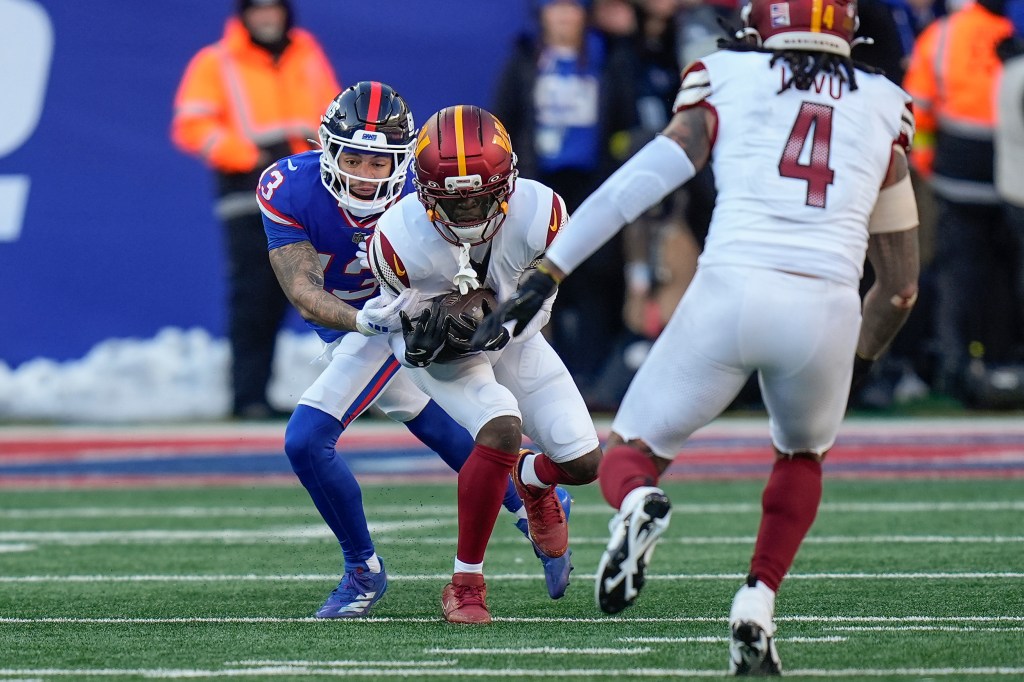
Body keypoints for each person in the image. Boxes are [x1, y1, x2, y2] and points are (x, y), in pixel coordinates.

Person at [474, 0, 920, 673]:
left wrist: (552, 267)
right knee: (801, 456)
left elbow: (644, 178)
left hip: (731, 289)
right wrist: (855, 362)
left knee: (632, 451)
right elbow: (899, 287)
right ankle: (758, 601)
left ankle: (639, 504)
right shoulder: (887, 105)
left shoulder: (728, 75)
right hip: (827, 305)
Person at [257, 83, 573, 618]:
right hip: (360, 319)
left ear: (402, 162)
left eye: (379, 162)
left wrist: (445, 316)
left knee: (307, 439)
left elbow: (478, 278)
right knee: (418, 411)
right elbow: (305, 292)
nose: (363, 173)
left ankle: (363, 571)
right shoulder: (288, 186)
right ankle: (524, 497)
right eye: (352, 157)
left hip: (418, 317)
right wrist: (361, 318)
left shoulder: (429, 189)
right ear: (326, 147)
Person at [367, 105, 604, 624]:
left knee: (584, 463)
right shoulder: (396, 238)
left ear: (508, 182)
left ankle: (533, 479)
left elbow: (544, 301)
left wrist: (502, 319)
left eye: (481, 196)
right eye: (456, 202)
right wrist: (422, 345)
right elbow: (396, 334)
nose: (471, 212)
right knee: (500, 426)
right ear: (425, 194)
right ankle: (465, 584)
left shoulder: (543, 212)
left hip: (516, 340)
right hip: (452, 362)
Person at [171, 0, 339, 420]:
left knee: (338, 288)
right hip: (249, 195)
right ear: (244, 14)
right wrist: (247, 156)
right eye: (258, 8)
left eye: (274, 7)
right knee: (256, 299)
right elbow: (191, 125)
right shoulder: (215, 62)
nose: (267, 16)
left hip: (313, 193)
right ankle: (249, 398)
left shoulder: (308, 54)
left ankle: (358, 393)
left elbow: (334, 118)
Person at [493, 0, 638, 407]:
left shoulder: (607, 56)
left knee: (593, 278)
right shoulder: (525, 58)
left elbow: (625, 119)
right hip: (539, 182)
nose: (564, 18)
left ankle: (589, 379)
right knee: (534, 277)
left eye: (571, 9)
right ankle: (538, 380)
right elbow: (504, 119)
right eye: (556, 9)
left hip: (590, 183)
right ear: (542, 16)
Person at [903, 0, 1016, 399]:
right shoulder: (1008, 31)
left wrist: (926, 161)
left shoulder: (942, 34)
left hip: (956, 170)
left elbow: (918, 103)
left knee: (958, 272)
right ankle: (1003, 363)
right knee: (1004, 274)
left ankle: (956, 364)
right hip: (1009, 171)